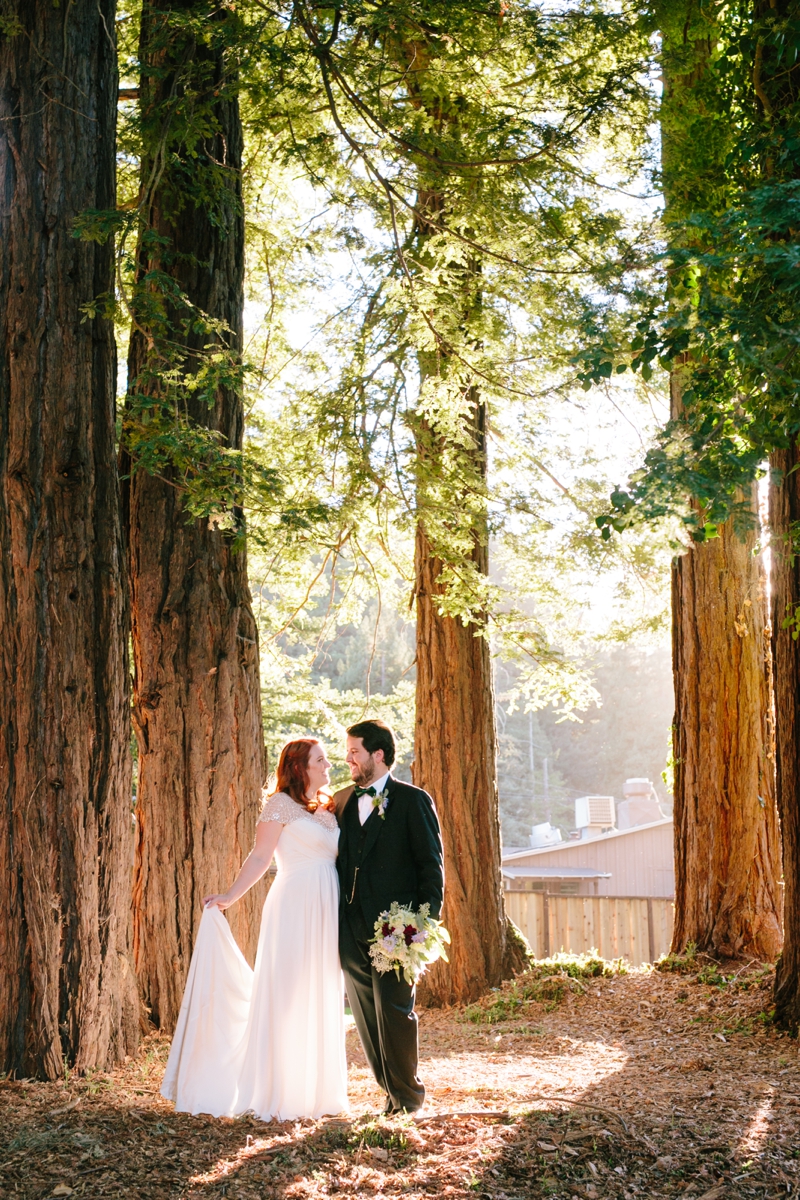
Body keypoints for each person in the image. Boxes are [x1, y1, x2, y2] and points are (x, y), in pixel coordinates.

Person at [160, 738, 348, 1121]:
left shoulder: (330, 808)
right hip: (294, 904)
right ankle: (280, 1091)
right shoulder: (280, 804)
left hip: (327, 906)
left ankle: (319, 1093)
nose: (328, 764)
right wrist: (230, 896)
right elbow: (261, 856)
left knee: (322, 989)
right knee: (289, 991)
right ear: (299, 767)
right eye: (320, 759)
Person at [334, 719, 444, 1115]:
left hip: (397, 928)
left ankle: (408, 1100)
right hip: (350, 929)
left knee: (395, 1012)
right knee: (365, 1017)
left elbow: (431, 869)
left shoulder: (413, 801)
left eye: (354, 751)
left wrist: (420, 928)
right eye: (348, 751)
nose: (348, 758)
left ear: (378, 755)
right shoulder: (342, 801)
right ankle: (390, 1094)